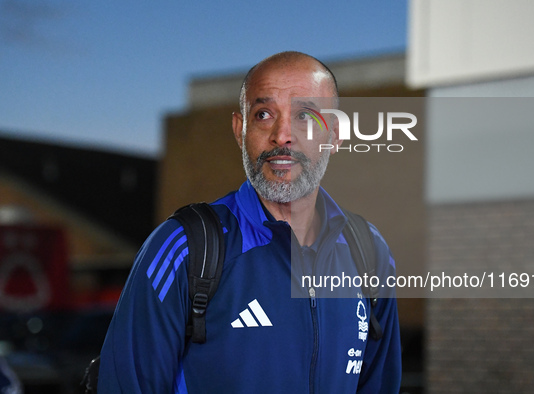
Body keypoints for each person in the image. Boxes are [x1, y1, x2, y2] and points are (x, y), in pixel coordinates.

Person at [98, 51, 401, 393]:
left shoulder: (368, 252)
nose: (282, 135)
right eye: (264, 114)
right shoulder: (185, 247)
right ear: (240, 130)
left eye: (305, 116)